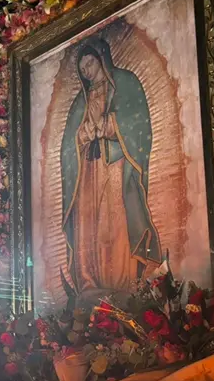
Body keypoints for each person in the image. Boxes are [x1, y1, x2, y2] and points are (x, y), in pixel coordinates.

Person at [60, 37, 162, 294]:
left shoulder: (124, 84)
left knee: (114, 220)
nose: (88, 72)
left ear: (102, 59)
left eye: (90, 64)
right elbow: (70, 141)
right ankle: (90, 281)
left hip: (115, 165)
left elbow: (138, 123)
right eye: (83, 70)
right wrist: (84, 134)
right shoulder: (79, 103)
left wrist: (107, 125)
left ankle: (123, 280)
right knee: (89, 225)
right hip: (88, 172)